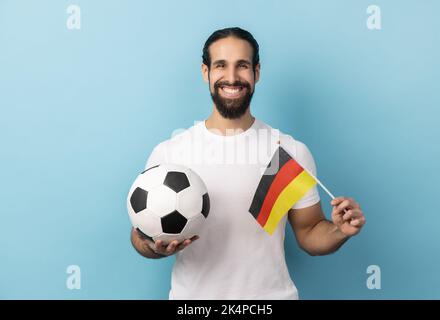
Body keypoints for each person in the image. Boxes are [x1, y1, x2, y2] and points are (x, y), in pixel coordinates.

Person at [130, 27, 366, 299]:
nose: (231, 77)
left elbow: (310, 233)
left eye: (242, 66)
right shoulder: (170, 153)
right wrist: (154, 247)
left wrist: (339, 230)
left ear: (257, 72)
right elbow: (139, 236)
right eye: (221, 65)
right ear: (205, 72)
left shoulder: (289, 152)